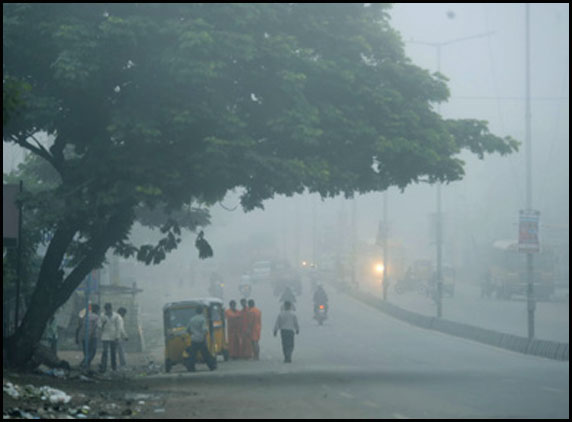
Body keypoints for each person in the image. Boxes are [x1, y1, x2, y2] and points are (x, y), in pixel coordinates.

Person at [186, 305, 217, 371]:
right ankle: (212, 366)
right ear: (202, 311)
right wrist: (204, 336)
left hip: (194, 339)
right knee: (206, 354)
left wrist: (192, 334)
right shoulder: (202, 319)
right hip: (201, 339)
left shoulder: (191, 319)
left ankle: (191, 368)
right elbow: (204, 330)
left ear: (196, 311)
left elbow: (187, 329)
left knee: (192, 355)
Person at [98, 303, 122, 373]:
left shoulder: (116, 316)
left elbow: (118, 327)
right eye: (106, 309)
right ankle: (103, 367)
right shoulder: (102, 315)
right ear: (105, 309)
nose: (107, 311)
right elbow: (99, 325)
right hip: (105, 335)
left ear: (111, 308)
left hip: (113, 336)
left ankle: (114, 367)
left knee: (113, 352)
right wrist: (103, 324)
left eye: (109, 309)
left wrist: (117, 336)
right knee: (105, 352)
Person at [76, 304, 100, 369]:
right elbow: (95, 327)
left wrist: (78, 337)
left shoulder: (85, 316)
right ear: (97, 310)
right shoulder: (96, 317)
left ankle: (85, 364)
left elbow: (80, 326)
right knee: (93, 351)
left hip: (85, 336)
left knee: (87, 351)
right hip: (92, 336)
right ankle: (84, 363)